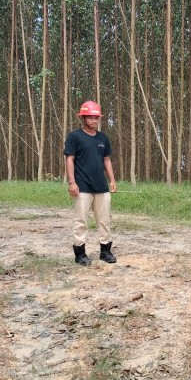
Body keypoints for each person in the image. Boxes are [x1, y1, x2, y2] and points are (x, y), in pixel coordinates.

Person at [64, 101, 118, 265]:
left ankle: (105, 251)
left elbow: (106, 160)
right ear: (83, 118)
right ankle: (80, 254)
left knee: (104, 219)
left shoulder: (103, 138)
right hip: (82, 186)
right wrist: (72, 182)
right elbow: (69, 159)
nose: (94, 121)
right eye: (91, 118)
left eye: (97, 118)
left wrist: (112, 180)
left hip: (101, 186)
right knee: (81, 220)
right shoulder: (75, 137)